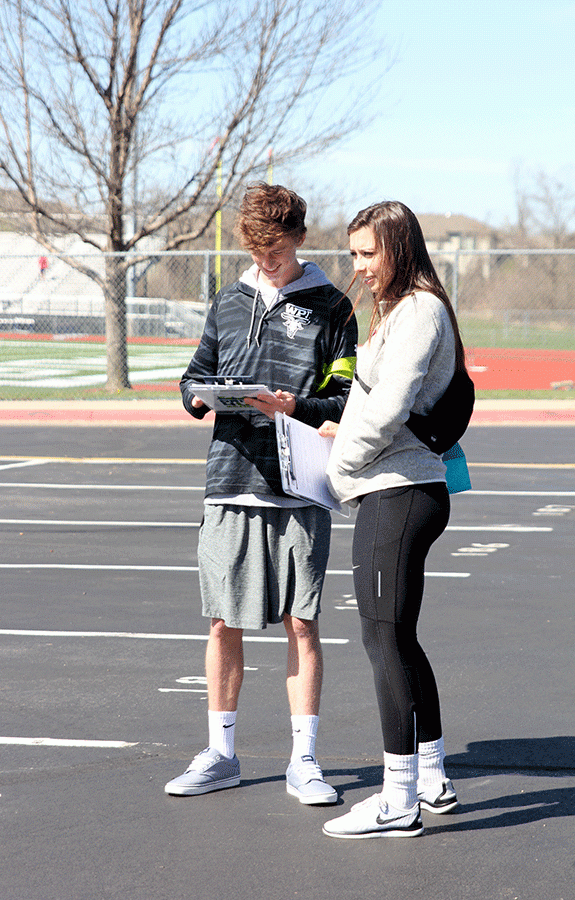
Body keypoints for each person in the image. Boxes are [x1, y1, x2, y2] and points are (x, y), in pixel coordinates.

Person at [165, 182, 357, 804]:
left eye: (274, 250)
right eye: (255, 250)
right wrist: (198, 394)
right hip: (230, 480)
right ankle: (221, 753)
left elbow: (349, 398)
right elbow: (194, 374)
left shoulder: (334, 307)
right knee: (223, 622)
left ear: (300, 237)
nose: (265, 261)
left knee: (302, 622)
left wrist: (293, 405)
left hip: (300, 486)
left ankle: (305, 760)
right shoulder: (228, 299)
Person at [319, 200, 463, 838]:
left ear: (399, 248)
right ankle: (430, 776)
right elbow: (373, 409)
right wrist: (339, 429)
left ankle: (397, 800)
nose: (360, 266)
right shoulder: (405, 311)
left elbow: (388, 411)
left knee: (381, 641)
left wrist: (338, 466)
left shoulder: (421, 310)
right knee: (399, 638)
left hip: (397, 494)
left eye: (368, 253)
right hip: (401, 489)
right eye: (353, 253)